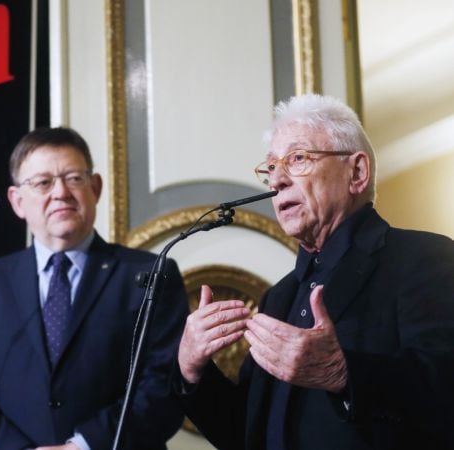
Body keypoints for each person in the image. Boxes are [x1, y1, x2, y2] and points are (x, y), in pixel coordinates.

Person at [176, 94, 454, 450]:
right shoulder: (278, 297)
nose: (277, 181)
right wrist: (192, 369)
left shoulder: (424, 257)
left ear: (357, 172)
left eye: (297, 158)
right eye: (271, 167)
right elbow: (244, 434)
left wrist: (342, 373)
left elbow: (445, 391)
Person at [0, 127, 189, 449]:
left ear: (95, 188)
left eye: (73, 178)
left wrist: (82, 446)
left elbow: (163, 384)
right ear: (17, 201)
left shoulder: (151, 274)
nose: (60, 192)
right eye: (43, 183)